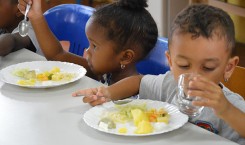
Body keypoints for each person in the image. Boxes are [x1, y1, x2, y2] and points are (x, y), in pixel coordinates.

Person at [72, 4, 245, 144]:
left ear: (228, 67)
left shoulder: (233, 105)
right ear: (170, 61)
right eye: (183, 65)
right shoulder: (169, 84)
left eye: (207, 68)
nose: (194, 77)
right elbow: (139, 82)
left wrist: (226, 109)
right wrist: (108, 93)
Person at [18, 0, 158, 84]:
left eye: (94, 46)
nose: (87, 51)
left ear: (125, 57)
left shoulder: (140, 95)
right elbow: (57, 55)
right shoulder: (104, 73)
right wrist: (36, 17)